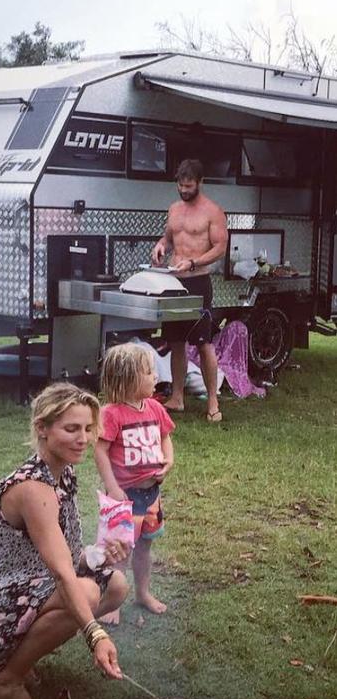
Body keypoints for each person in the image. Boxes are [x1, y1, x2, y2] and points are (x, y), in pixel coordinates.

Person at [0, 382, 131, 699]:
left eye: (88, 428)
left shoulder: (62, 475)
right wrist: (95, 634)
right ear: (42, 428)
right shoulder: (33, 488)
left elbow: (64, 556)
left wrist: (99, 555)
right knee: (83, 594)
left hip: (18, 587)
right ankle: (5, 682)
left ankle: (15, 659)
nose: (83, 438)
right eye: (71, 429)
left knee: (115, 583)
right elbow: (61, 574)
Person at [94, 343, 175, 616]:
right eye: (149, 372)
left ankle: (142, 593)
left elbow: (165, 437)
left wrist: (169, 461)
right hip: (123, 498)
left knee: (144, 548)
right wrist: (114, 487)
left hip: (151, 495)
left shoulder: (154, 408)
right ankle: (112, 599)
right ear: (128, 378)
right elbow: (100, 451)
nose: (156, 377)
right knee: (119, 551)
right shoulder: (112, 414)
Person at [151, 158, 228, 422]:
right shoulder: (174, 209)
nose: (184, 190)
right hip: (175, 281)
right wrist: (161, 245)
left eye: (189, 186)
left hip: (198, 282)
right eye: (181, 186)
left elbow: (220, 248)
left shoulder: (213, 211)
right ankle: (177, 398)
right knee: (175, 341)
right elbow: (170, 238)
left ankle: (213, 403)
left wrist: (194, 261)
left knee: (203, 342)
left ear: (200, 183)